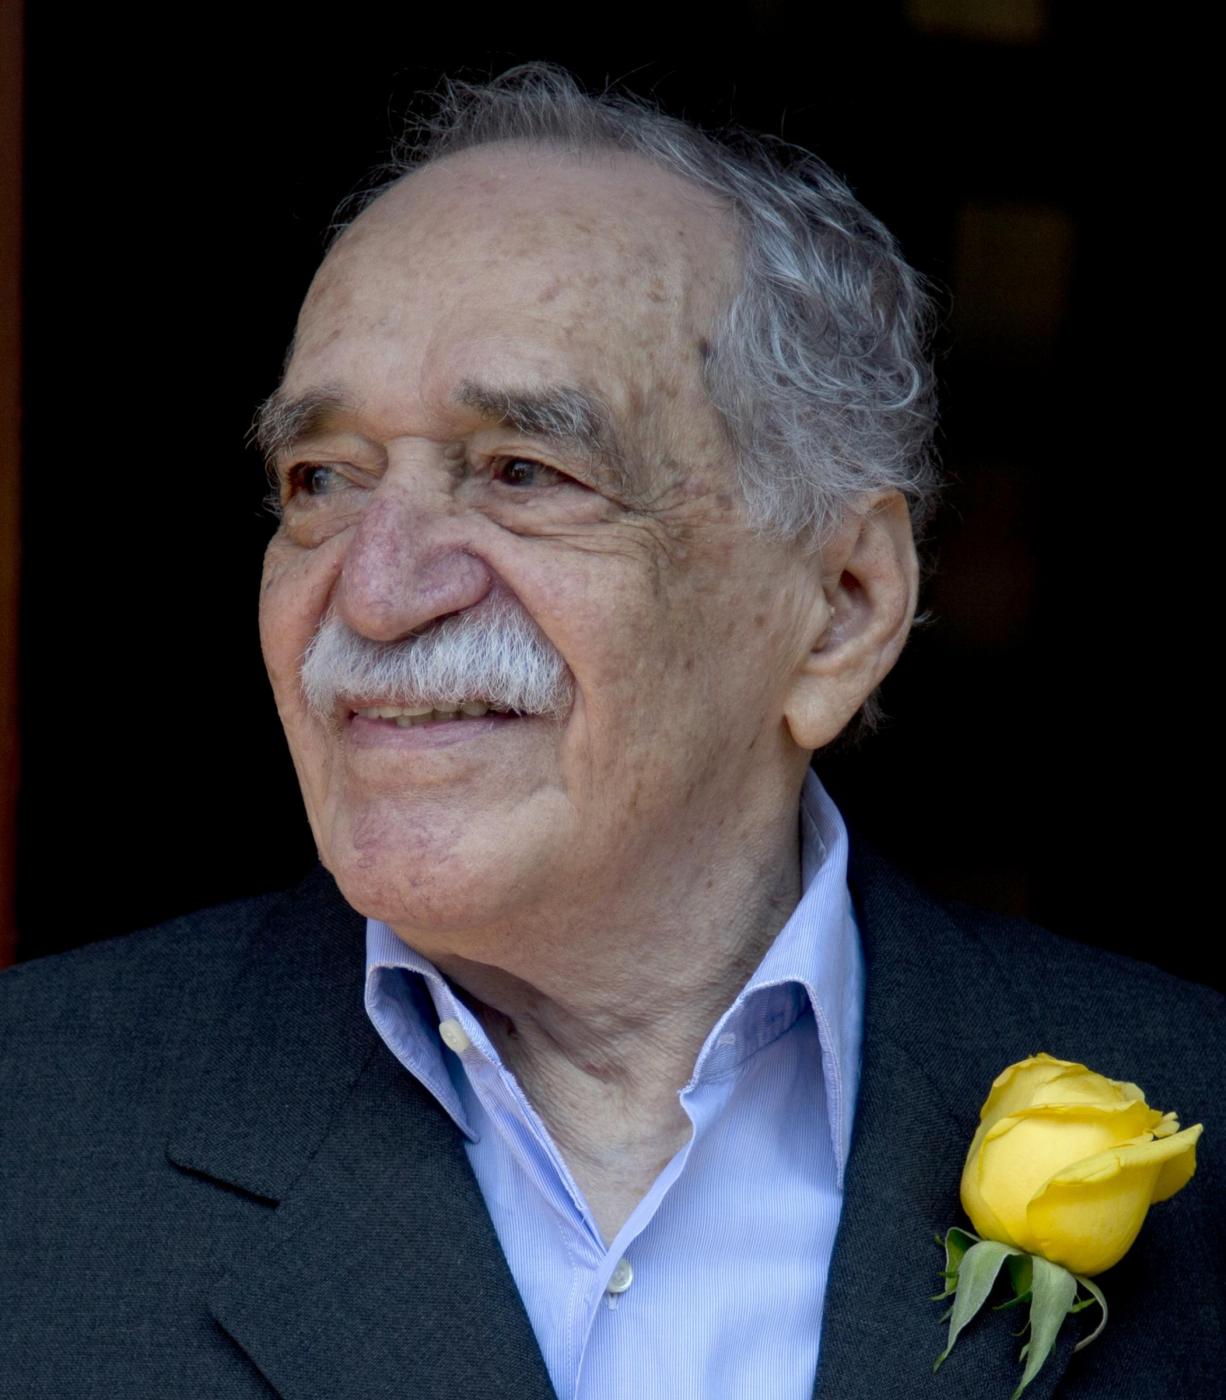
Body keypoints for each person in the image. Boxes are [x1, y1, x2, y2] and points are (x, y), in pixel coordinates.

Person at [1, 65, 1221, 1400]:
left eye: (524, 473)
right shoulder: (31, 1120)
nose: (375, 591)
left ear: (838, 607)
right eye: (321, 480)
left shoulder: (1191, 1103)